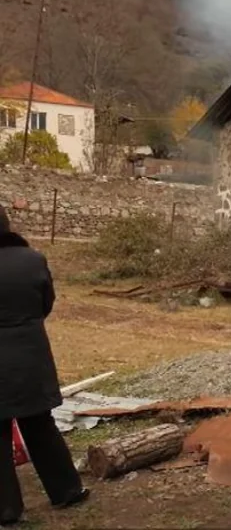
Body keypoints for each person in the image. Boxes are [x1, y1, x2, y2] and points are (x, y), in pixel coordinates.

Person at [0, 205, 90, 526]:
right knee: (40, 424)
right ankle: (67, 490)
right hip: (31, 356)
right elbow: (45, 303)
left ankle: (7, 509)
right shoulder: (33, 260)